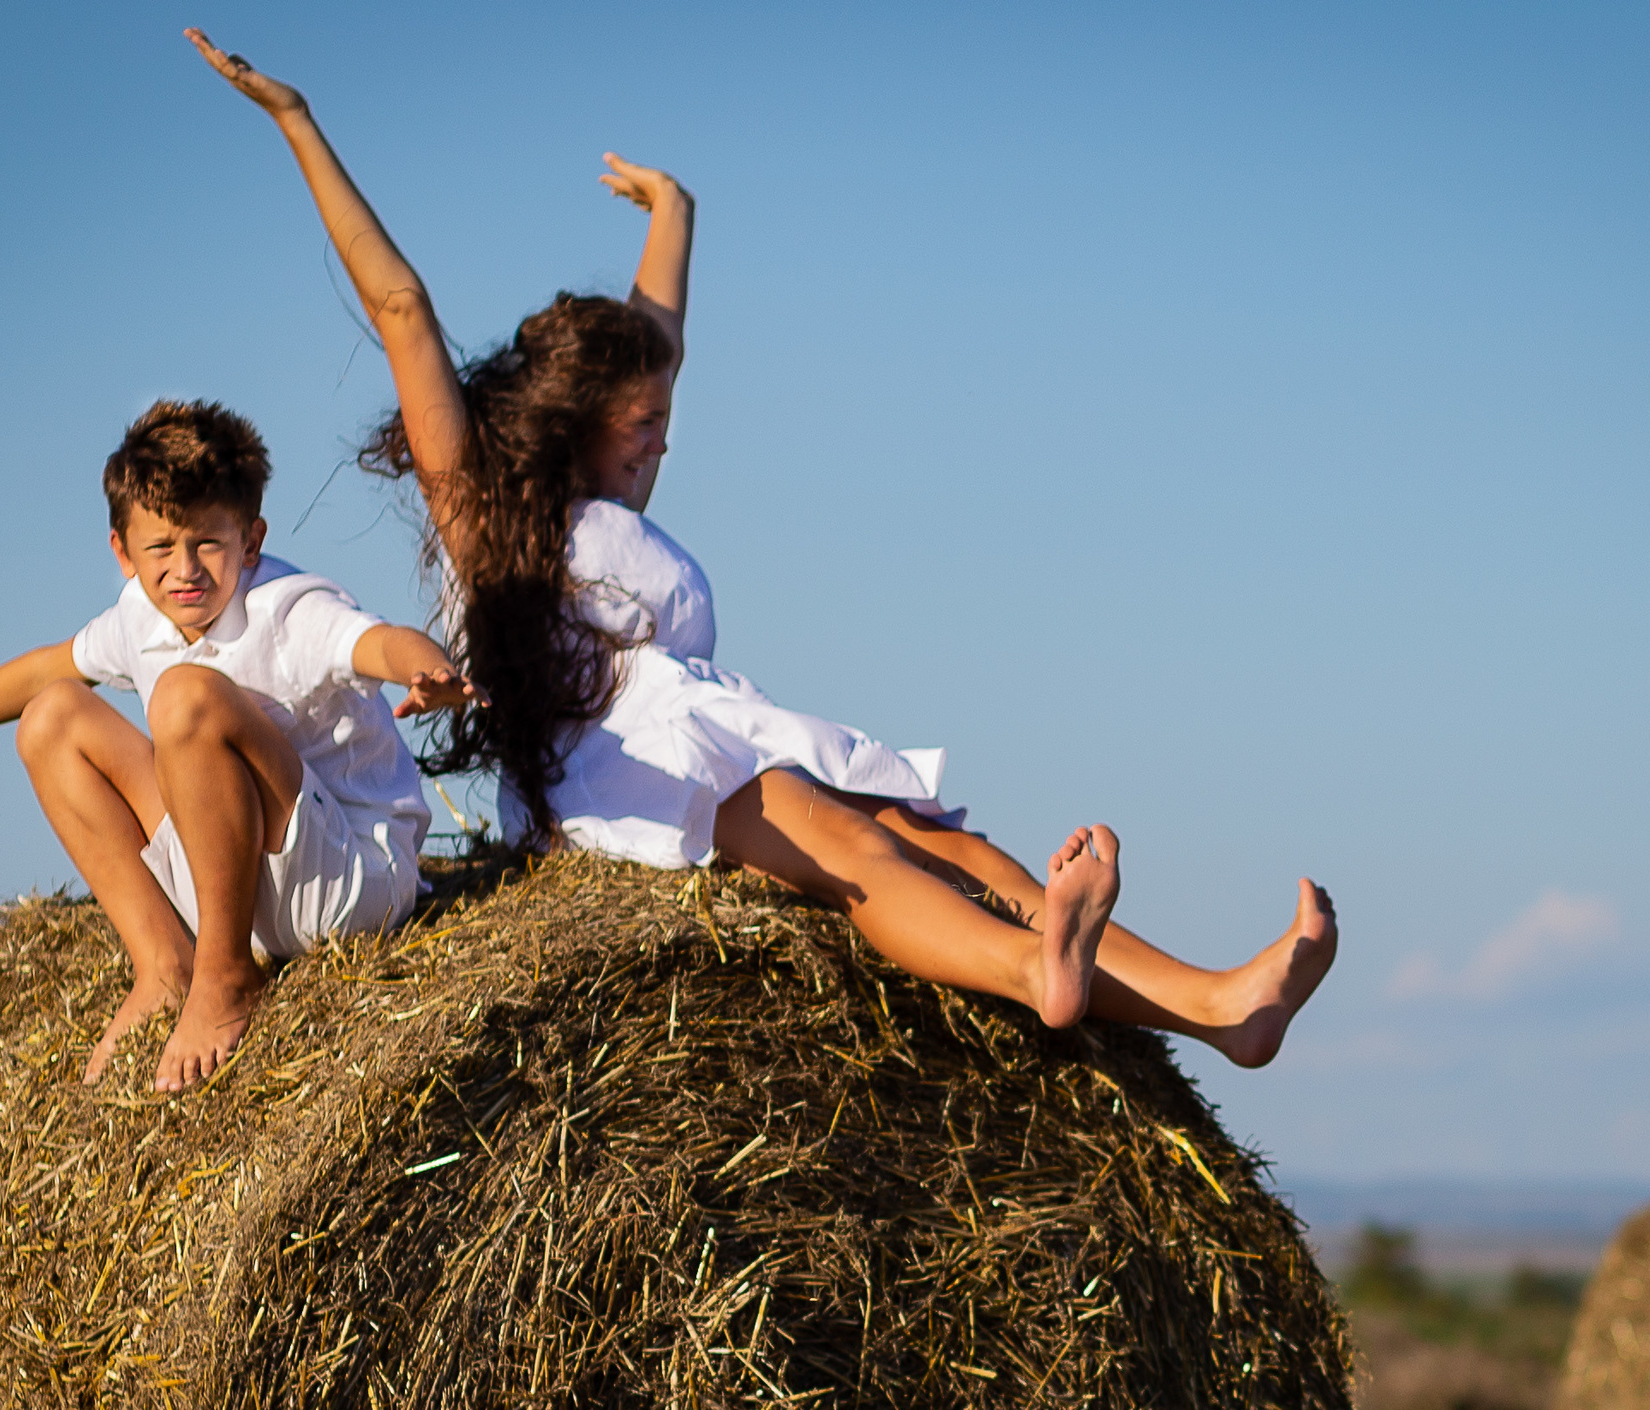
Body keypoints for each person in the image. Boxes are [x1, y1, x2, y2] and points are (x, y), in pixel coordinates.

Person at [189, 32, 1338, 1067]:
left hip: (710, 719)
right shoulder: (482, 519)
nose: (658, 444)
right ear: (580, 417)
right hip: (619, 766)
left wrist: (674, 210)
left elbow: (660, 347)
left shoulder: (613, 508)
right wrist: (297, 121)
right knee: (853, 852)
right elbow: (400, 309)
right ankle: (1037, 973)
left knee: (961, 850)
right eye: (642, 427)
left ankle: (1220, 1009)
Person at [0, 401, 468, 1091]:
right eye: (160, 548)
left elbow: (377, 640)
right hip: (236, 885)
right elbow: (39, 669)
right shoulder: (140, 617)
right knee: (51, 717)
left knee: (185, 696)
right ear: (123, 552)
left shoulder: (289, 610)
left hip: (344, 886)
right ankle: (165, 963)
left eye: (209, 543)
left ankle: (227, 977)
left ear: (251, 539)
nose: (186, 569)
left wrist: (429, 669)